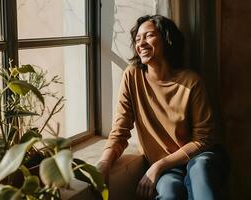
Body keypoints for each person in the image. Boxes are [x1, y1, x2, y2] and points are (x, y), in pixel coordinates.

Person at [97, 14, 228, 200]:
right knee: (169, 193)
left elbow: (203, 141)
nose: (141, 43)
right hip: (169, 169)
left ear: (167, 40)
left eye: (148, 35)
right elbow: (120, 130)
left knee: (199, 171)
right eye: (137, 39)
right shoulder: (132, 77)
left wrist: (158, 165)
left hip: (201, 158)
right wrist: (104, 163)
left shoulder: (191, 82)